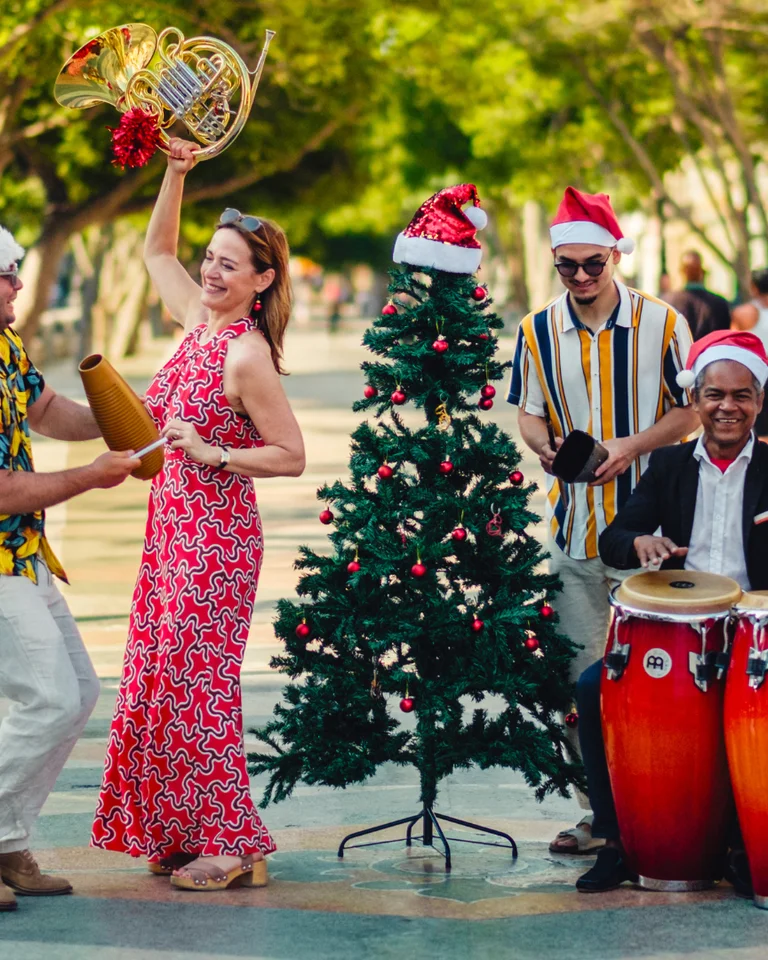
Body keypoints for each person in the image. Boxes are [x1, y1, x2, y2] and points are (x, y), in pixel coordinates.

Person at [91, 139, 306, 892]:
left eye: (227, 264)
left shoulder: (245, 354)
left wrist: (214, 453)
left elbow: (291, 455)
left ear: (261, 281)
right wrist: (176, 174)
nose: (210, 271)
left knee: (200, 685)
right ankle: (183, 830)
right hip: (170, 530)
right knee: (161, 679)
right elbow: (154, 251)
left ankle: (234, 841)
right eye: (209, 258)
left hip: (216, 537)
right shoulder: (197, 320)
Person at [507, 187, 698, 855]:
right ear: (555, 262)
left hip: (658, 543)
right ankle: (598, 815)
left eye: (595, 264)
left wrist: (630, 447)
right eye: (569, 267)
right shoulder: (534, 331)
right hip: (574, 537)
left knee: (663, 685)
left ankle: (671, 812)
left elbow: (693, 411)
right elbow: (526, 410)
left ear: (616, 256)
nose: (583, 278)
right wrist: (541, 444)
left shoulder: (666, 326)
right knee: (578, 685)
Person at [576, 329, 768, 893]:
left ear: (759, 401)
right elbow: (616, 537)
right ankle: (615, 841)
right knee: (593, 689)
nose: (727, 407)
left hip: (753, 634)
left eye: (741, 395)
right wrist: (639, 545)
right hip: (682, 631)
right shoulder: (668, 466)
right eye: (714, 395)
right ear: (696, 400)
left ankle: (743, 844)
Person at [0, 227, 139, 913]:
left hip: (22, 555)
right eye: (7, 275)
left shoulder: (5, 343)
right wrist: (92, 475)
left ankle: (7, 841)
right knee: (48, 699)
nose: (19, 285)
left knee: (78, 693)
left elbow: (45, 408)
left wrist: (128, 421)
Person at [731, 267, 768, 439]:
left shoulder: (744, 313)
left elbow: (733, 346)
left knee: (761, 431)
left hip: (759, 375)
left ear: (754, 287)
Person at [663, 250, 731, 341]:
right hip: (709, 353)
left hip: (680, 354)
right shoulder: (720, 304)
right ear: (702, 271)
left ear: (682, 271)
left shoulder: (667, 302)